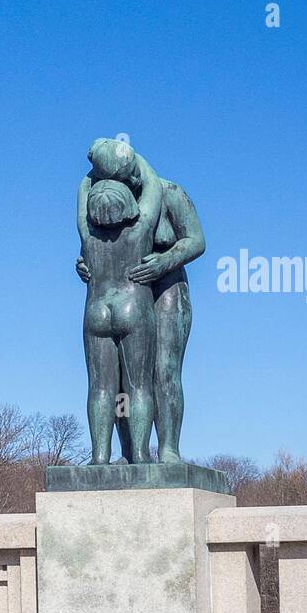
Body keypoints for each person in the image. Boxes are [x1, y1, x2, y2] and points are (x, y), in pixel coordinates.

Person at [76, 139, 205, 462]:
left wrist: (164, 261)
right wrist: (83, 265)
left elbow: (197, 241)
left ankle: (168, 448)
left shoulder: (168, 192)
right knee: (120, 381)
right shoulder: (105, 201)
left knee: (163, 370)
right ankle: (131, 452)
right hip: (130, 291)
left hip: (166, 286)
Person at [79, 178, 162, 464]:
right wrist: (127, 162)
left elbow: (80, 204)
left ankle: (99, 456)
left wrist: (91, 175)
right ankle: (139, 454)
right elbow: (153, 187)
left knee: (100, 387)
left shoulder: (87, 237)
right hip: (132, 307)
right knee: (139, 386)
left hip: (96, 310)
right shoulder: (140, 231)